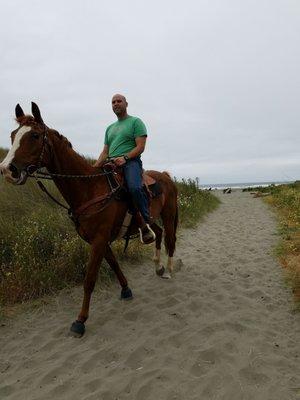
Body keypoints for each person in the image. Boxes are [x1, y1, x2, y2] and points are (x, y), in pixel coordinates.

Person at [94, 94, 156, 244]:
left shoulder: (135, 122)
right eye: (113, 102)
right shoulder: (109, 128)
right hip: (110, 163)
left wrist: (125, 158)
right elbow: (105, 152)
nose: (116, 104)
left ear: (126, 104)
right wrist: (94, 168)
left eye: (119, 101)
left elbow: (140, 147)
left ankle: (145, 222)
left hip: (130, 162)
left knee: (134, 188)